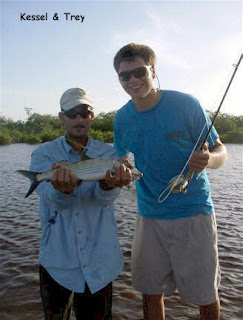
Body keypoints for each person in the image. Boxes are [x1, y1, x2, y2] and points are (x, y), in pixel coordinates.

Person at [113, 43, 228, 320]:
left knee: (205, 294)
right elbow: (121, 163)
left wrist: (209, 160)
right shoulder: (122, 118)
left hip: (194, 212)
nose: (133, 81)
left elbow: (221, 151)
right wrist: (118, 176)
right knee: (150, 291)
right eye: (124, 76)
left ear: (153, 70)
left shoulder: (186, 104)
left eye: (139, 72)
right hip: (149, 215)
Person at [29, 87, 132, 319]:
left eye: (84, 113)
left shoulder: (109, 153)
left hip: (100, 262)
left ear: (92, 116)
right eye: (72, 113)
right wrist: (63, 191)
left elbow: (104, 201)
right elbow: (51, 201)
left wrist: (108, 186)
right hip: (57, 261)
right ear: (61, 117)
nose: (78, 119)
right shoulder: (43, 154)